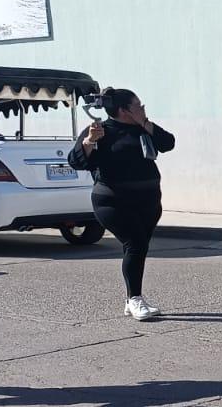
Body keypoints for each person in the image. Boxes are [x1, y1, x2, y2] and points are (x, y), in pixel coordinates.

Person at [68, 88, 175, 321]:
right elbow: (76, 161)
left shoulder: (143, 128)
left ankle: (131, 299)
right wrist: (88, 142)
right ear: (124, 110)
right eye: (139, 106)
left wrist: (145, 122)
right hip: (112, 201)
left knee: (139, 247)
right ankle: (135, 299)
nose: (143, 109)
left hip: (148, 200)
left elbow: (168, 143)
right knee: (135, 243)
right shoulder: (100, 131)